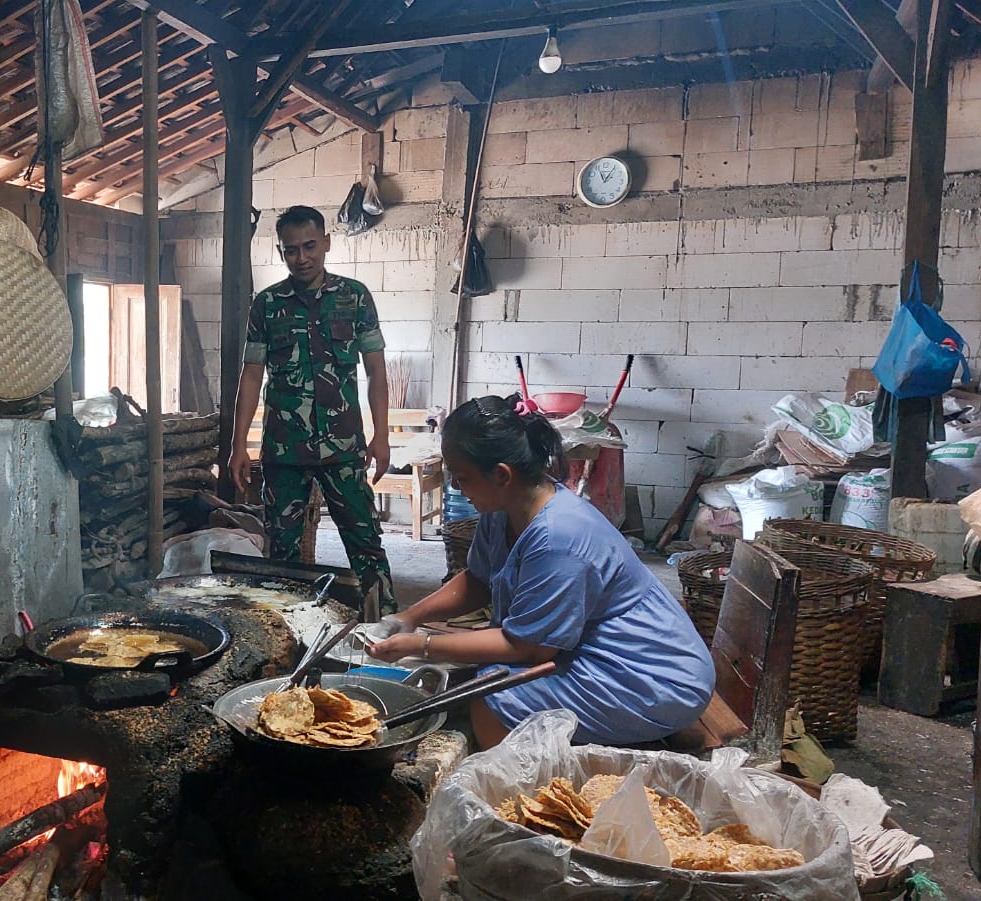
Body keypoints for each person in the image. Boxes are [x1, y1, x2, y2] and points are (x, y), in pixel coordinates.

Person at [367, 395, 714, 749]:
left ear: (501, 474)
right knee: (481, 675)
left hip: (652, 675)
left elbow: (527, 648)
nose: (455, 487)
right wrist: (409, 617)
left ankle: (525, 776)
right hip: (593, 651)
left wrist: (424, 645)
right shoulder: (502, 508)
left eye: (462, 477)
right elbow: (478, 580)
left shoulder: (558, 539)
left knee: (492, 697)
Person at [228, 205, 396, 616]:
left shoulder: (355, 297)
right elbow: (251, 376)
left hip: (344, 447)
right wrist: (238, 445)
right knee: (282, 552)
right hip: (285, 450)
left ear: (326, 243)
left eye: (309, 246)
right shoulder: (267, 305)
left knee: (365, 542)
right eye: (291, 250)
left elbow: (376, 371)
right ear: (281, 252)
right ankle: (286, 628)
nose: (301, 257)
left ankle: (387, 627)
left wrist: (382, 435)